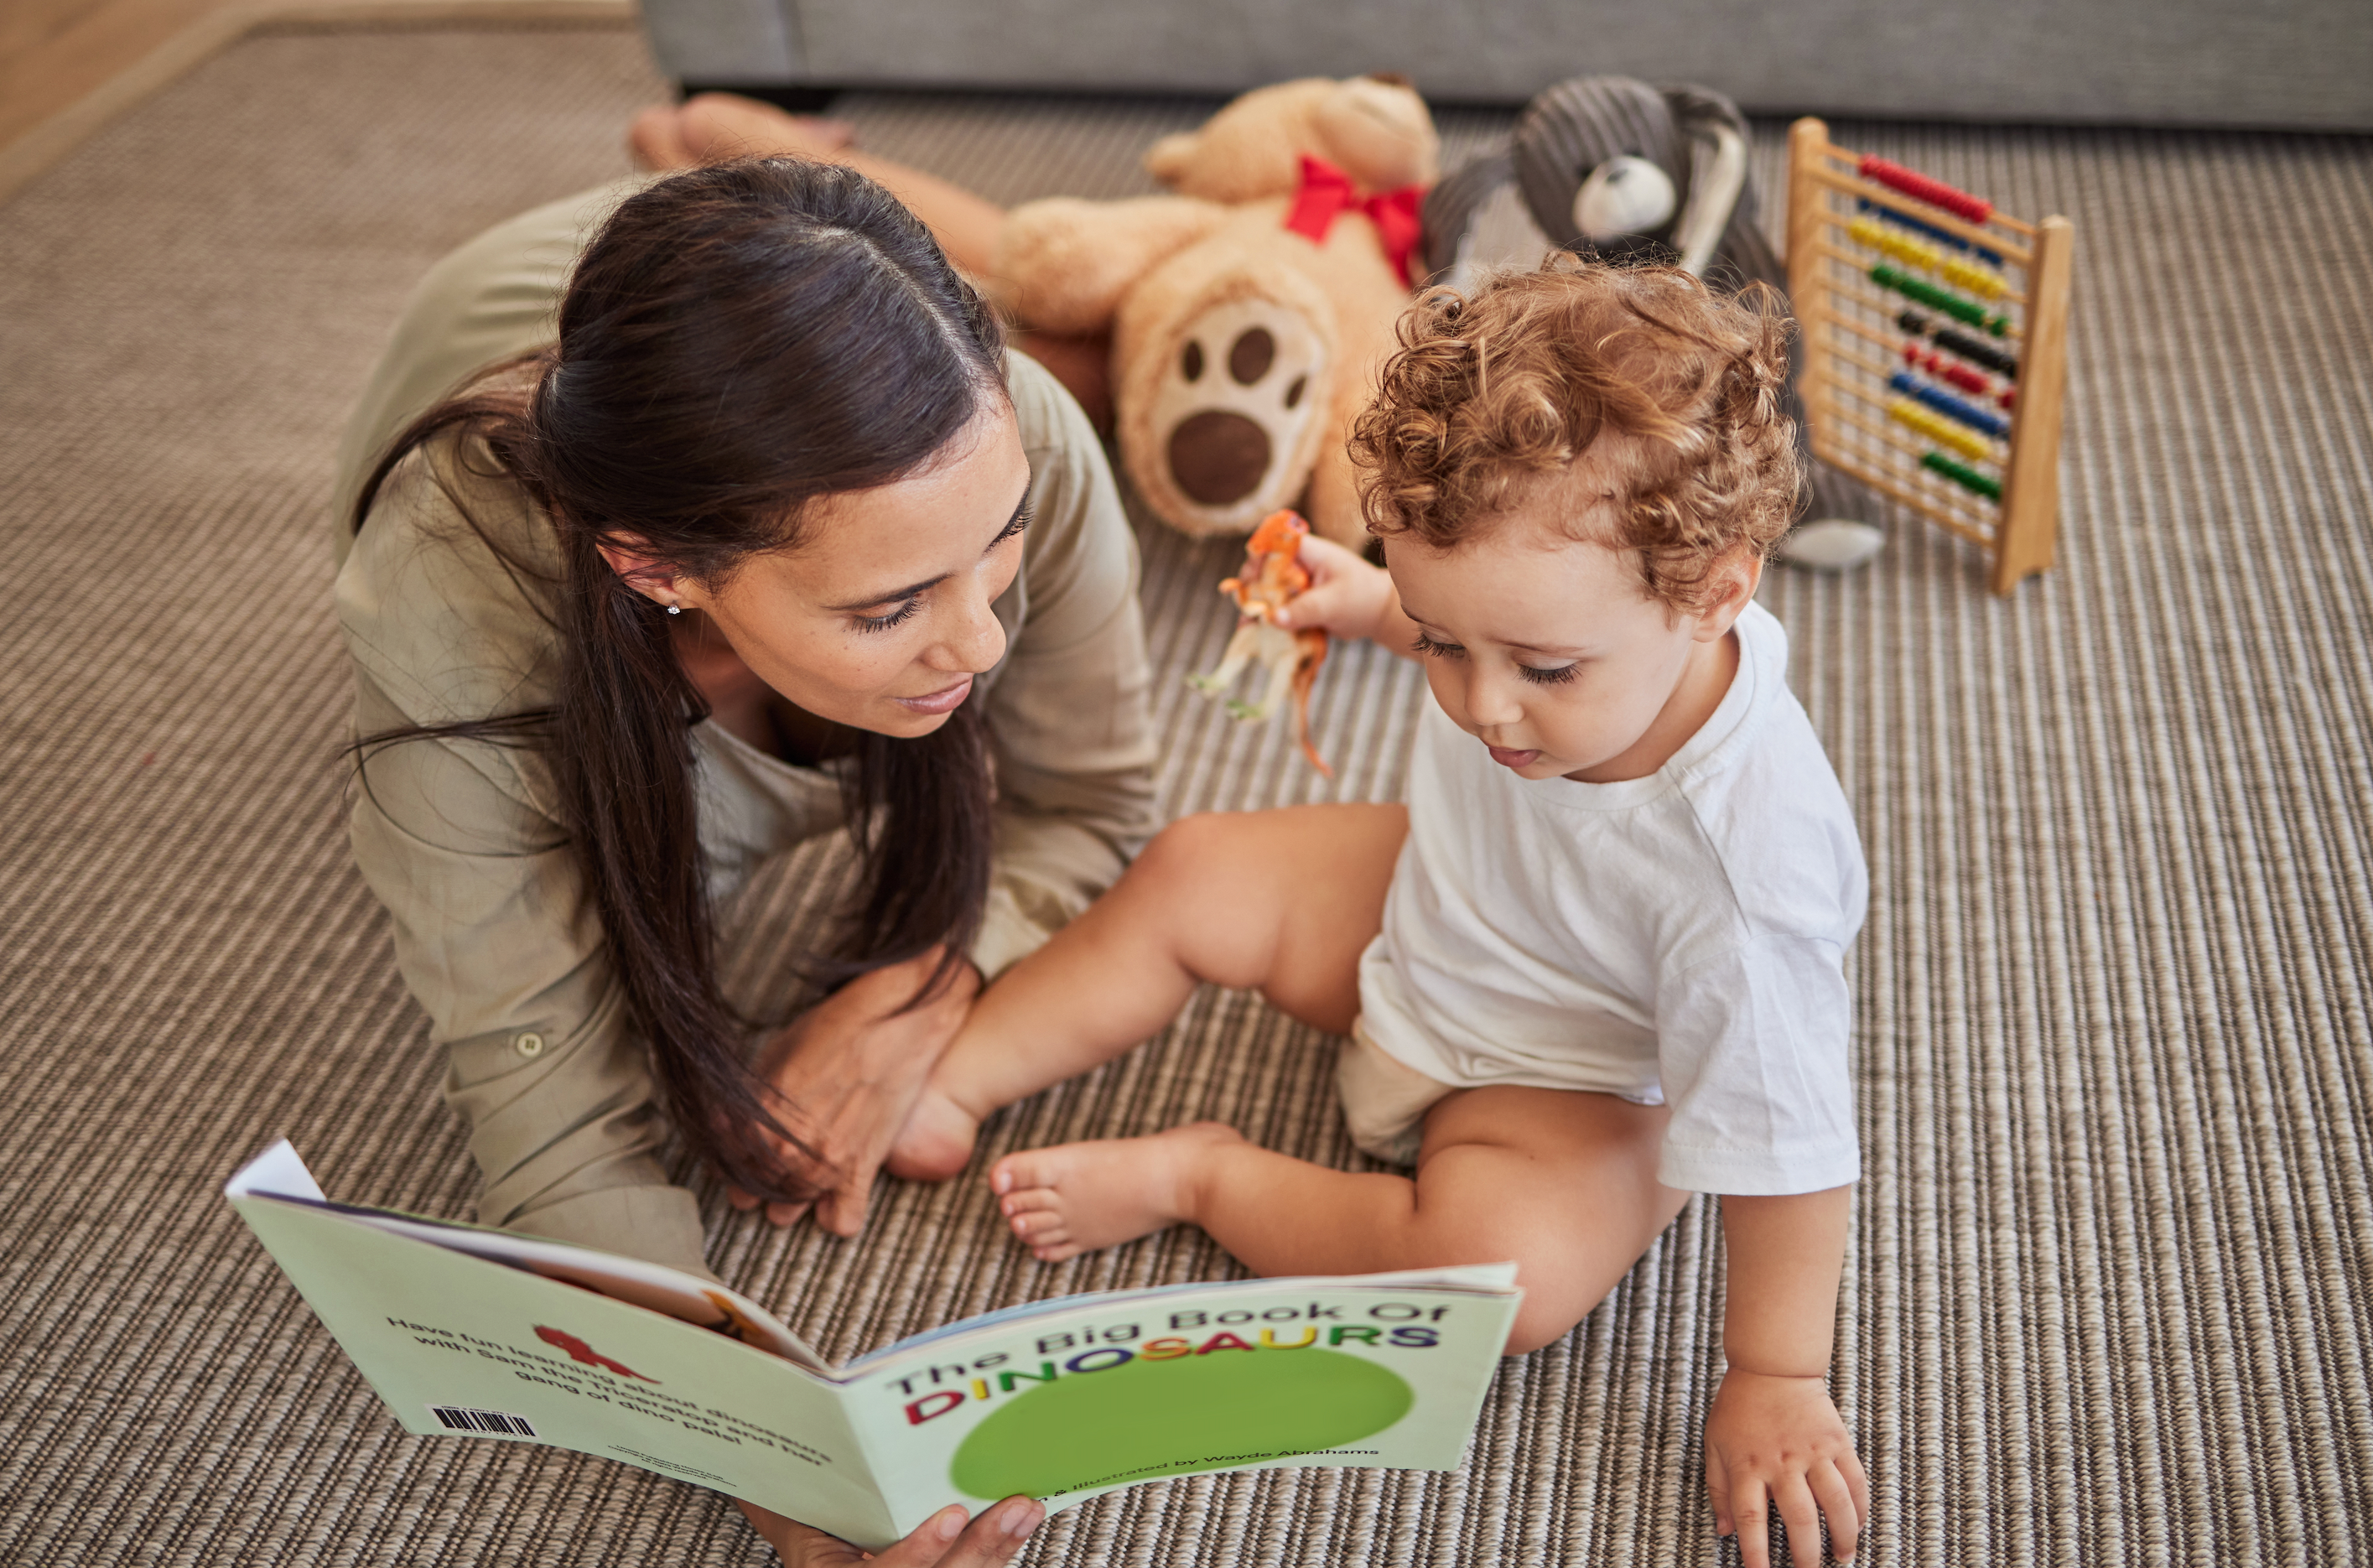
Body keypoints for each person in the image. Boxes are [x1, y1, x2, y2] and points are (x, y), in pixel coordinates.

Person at [891, 260, 1870, 1568]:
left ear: (1713, 594)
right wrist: (1369, 611)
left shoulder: (1749, 874)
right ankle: (946, 1075)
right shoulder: (1545, 622)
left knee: (1494, 1281)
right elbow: (1484, 628)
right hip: (1437, 903)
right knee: (1191, 867)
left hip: (1564, 1073)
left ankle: (1205, 1173)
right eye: (1442, 638)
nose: (1483, 707)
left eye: (1541, 667)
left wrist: (1775, 1373)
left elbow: (1787, 1143)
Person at [330, 158, 1157, 1562]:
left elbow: (1091, 806)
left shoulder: (1026, 436)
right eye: (892, 603)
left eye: (998, 544)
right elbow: (561, 1131)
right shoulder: (452, 616)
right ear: (656, 567)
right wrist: (802, 1481)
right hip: (506, 295)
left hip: (741, 261)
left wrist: (927, 981)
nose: (980, 643)